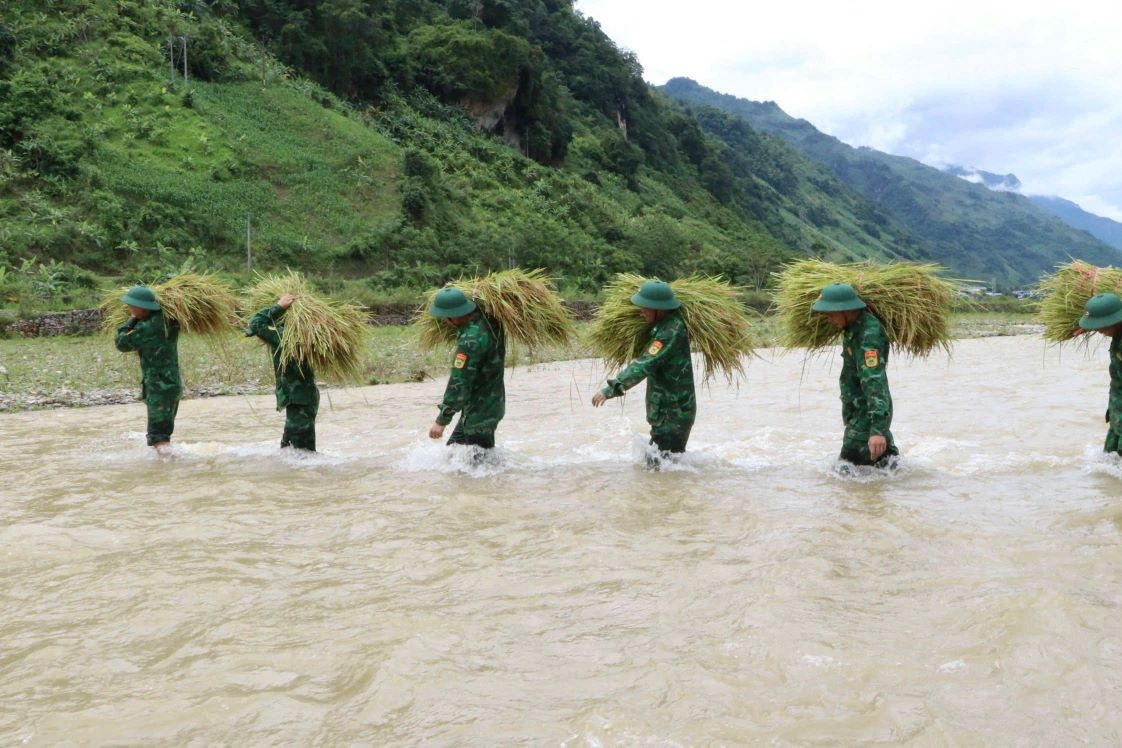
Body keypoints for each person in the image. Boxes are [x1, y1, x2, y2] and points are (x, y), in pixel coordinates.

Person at [591, 280, 697, 456]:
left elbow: (645, 363)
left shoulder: (669, 332)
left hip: (673, 414)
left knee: (660, 467)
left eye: (645, 307)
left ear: (659, 309)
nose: (641, 311)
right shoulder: (662, 327)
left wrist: (611, 389)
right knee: (662, 466)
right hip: (668, 413)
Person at [812, 282, 898, 467]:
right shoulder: (853, 329)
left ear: (846, 310)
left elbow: (875, 381)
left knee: (845, 474)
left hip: (865, 421)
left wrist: (877, 430)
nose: (828, 319)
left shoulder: (868, 335)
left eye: (830, 314)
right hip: (860, 417)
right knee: (884, 469)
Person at [427, 287, 506, 449]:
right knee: (453, 453)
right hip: (488, 406)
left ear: (454, 316)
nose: (444, 320)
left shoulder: (469, 341)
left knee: (479, 461)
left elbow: (459, 382)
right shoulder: (492, 322)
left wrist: (442, 421)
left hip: (480, 415)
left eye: (445, 316)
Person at [114, 285, 182, 456]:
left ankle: (168, 465)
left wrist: (131, 320)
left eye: (132, 306)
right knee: (162, 432)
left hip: (159, 388)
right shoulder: (168, 321)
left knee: (159, 437)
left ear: (143, 307)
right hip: (171, 384)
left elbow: (121, 343)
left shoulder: (147, 328)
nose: (129, 308)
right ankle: (168, 461)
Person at [246, 294, 319, 451]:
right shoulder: (310, 335)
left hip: (298, 399)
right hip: (305, 398)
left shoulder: (288, 337)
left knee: (299, 452)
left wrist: (278, 307)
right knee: (290, 449)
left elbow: (255, 324)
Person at [1077, 292, 1122, 454]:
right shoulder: (1117, 333)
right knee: (1111, 455)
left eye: (1102, 326)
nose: (1099, 330)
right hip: (1117, 404)